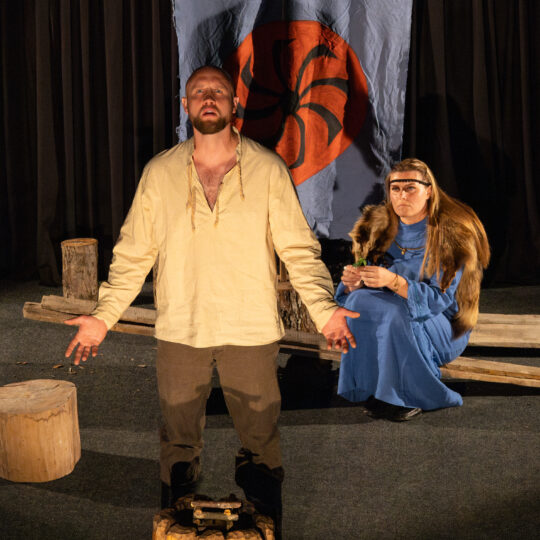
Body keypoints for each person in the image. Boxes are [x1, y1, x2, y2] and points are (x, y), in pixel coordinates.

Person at [63, 65, 358, 536]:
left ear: (233, 104)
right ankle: (174, 526)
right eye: (198, 91)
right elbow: (133, 254)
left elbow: (298, 251)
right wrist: (103, 317)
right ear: (185, 105)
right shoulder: (160, 173)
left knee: (261, 438)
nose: (207, 98)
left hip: (250, 329)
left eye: (217, 91)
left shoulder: (267, 169)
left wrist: (325, 312)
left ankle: (269, 528)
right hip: (182, 329)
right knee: (178, 441)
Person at [336, 158, 490, 421]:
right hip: (391, 311)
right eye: (395, 189)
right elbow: (363, 275)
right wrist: (354, 282)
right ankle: (375, 386)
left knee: (397, 312)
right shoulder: (378, 228)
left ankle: (407, 396)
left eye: (410, 188)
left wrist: (393, 281)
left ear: (428, 191)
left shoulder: (451, 234)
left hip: (444, 324)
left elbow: (439, 299)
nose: (402, 196)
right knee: (358, 301)